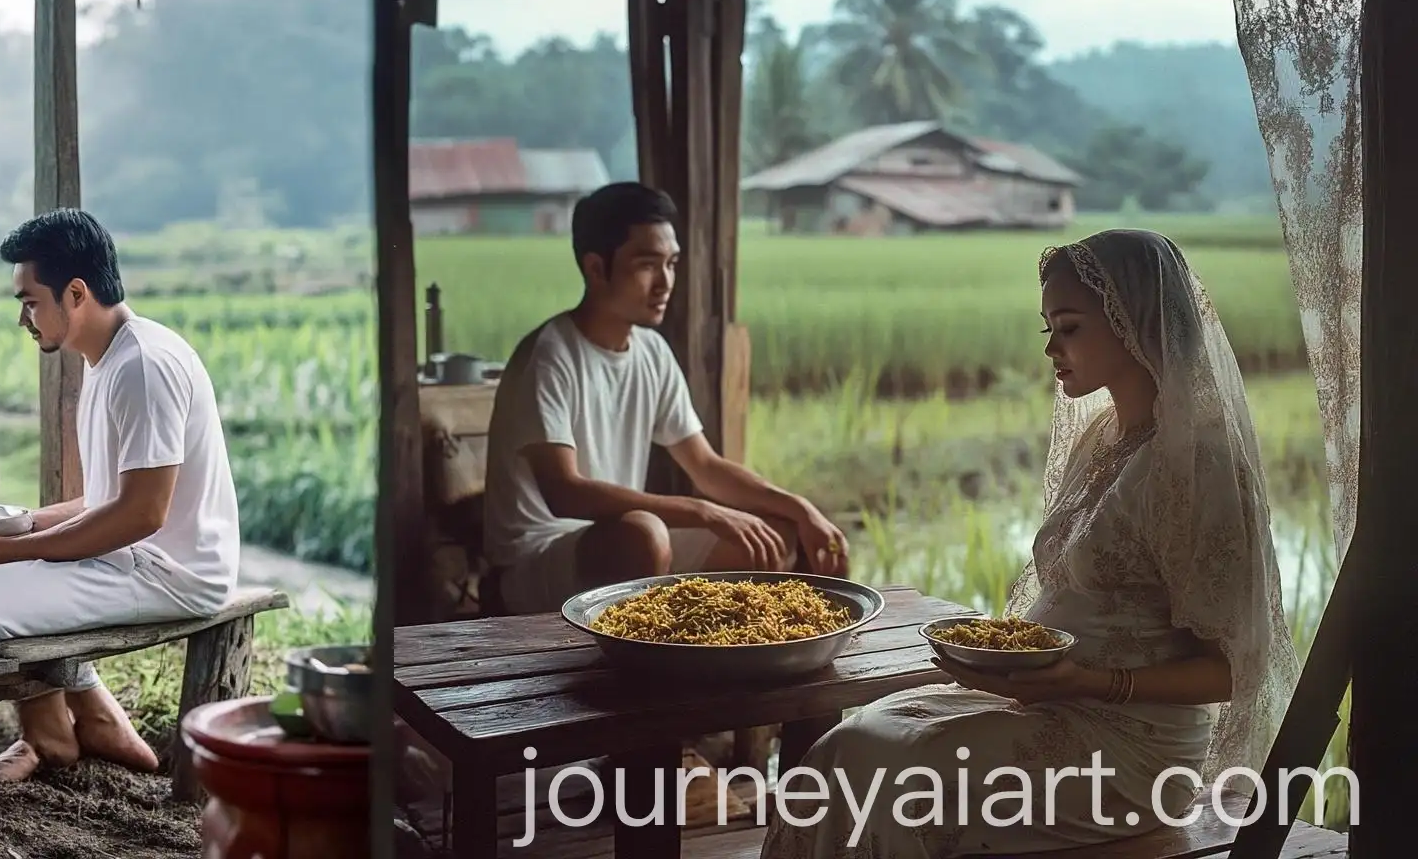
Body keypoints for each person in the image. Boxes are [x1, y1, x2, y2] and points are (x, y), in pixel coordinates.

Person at [762, 230, 1296, 857]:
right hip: (1058, 707)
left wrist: (1089, 681)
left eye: (1068, 327)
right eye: (1048, 326)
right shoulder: (1103, 439)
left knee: (898, 771)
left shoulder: (1195, 467)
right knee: (848, 747)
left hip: (1133, 749)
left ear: (1134, 322)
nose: (1050, 348)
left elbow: (1232, 671)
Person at [0, 208, 238, 787]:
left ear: (75, 293)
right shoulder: (107, 358)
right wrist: (13, 527)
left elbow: (142, 513)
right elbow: (99, 498)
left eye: (30, 300)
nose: (23, 318)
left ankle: (52, 727)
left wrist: (5, 553)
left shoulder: (144, 367)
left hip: (169, 571)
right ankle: (76, 716)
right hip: (124, 551)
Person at [483, 182, 850, 615]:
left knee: (771, 536)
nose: (665, 282)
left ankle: (710, 658)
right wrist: (702, 512)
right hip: (539, 557)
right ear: (596, 267)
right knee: (645, 533)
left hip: (623, 545)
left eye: (672, 264)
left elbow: (707, 466)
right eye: (647, 265)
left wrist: (801, 508)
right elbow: (566, 493)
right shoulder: (549, 354)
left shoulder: (651, 351)